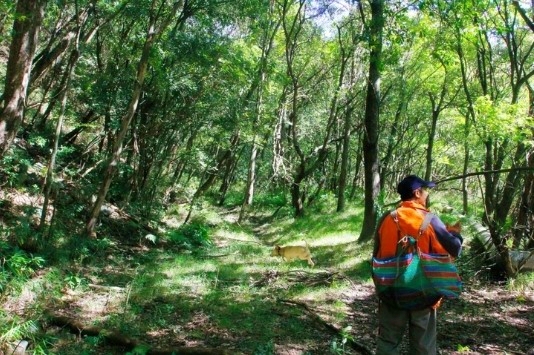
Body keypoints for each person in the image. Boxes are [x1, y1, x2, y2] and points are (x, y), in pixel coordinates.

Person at [373, 175, 463, 355]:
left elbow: (377, 254)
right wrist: (455, 234)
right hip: (423, 293)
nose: (427, 194)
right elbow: (455, 249)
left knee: (388, 342)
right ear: (417, 193)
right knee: (423, 347)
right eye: (425, 190)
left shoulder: (387, 218)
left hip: (391, 291)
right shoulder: (430, 220)